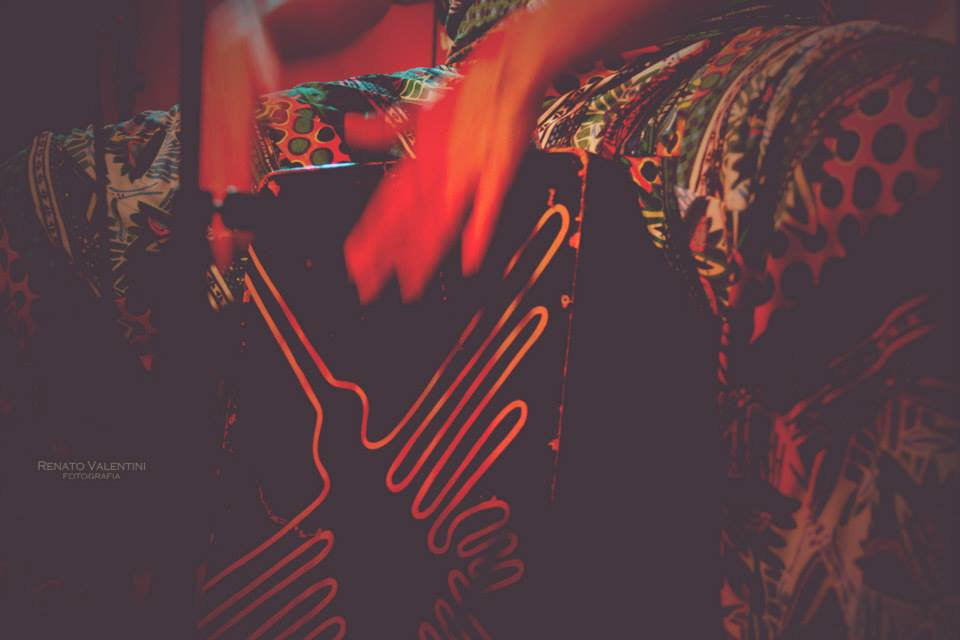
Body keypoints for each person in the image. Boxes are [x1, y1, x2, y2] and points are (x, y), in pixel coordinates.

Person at [1, 0, 956, 637]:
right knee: (48, 209)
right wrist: (242, 23)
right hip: (471, 92)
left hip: (695, 53)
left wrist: (533, 44)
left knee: (880, 133)